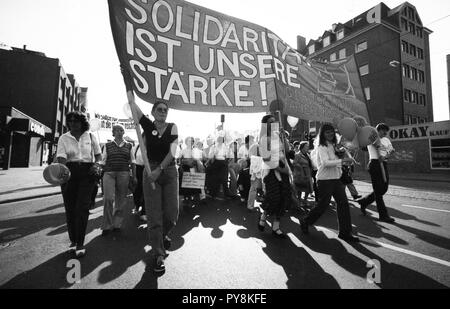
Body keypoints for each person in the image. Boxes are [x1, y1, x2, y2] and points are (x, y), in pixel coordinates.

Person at [129, 100, 179, 274]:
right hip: (150, 171)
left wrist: (160, 169)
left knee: (172, 214)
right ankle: (158, 254)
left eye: (166, 109)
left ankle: (161, 235)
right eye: (159, 109)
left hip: (169, 171)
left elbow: (173, 151)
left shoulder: (173, 127)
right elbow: (134, 107)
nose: (163, 111)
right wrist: (127, 76)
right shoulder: (148, 126)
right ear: (153, 111)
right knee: (154, 215)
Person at [299, 123, 359, 243]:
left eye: (331, 131)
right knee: (322, 205)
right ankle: (306, 221)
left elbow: (339, 160)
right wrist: (342, 161)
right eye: (327, 132)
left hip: (337, 179)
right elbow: (325, 163)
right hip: (324, 180)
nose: (330, 134)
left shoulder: (335, 145)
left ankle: (345, 233)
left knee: (343, 205)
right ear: (322, 134)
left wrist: (346, 157)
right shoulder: (322, 146)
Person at [56, 111, 102, 258]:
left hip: (88, 173)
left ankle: (81, 243)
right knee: (70, 208)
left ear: (83, 122)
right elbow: (61, 158)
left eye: (76, 121)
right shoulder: (64, 137)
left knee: (82, 208)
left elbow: (98, 156)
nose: (73, 123)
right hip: (68, 171)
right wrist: (63, 173)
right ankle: (73, 241)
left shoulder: (90, 136)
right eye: (70, 121)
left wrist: (97, 166)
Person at [257, 114, 291, 239]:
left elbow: (286, 150)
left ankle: (276, 227)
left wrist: (284, 137)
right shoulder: (264, 138)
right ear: (265, 125)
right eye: (270, 122)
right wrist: (280, 169)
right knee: (273, 198)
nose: (273, 124)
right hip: (271, 170)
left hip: (283, 168)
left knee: (283, 198)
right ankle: (263, 216)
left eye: (273, 121)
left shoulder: (278, 136)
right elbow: (266, 158)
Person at [101, 124, 137, 236]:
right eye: (116, 130)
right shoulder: (107, 145)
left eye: (121, 130)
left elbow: (133, 162)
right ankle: (106, 225)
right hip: (109, 173)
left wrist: (134, 176)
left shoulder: (129, 146)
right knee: (108, 199)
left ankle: (117, 224)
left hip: (124, 173)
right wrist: (100, 173)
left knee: (121, 200)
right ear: (113, 132)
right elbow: (103, 161)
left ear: (123, 132)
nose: (119, 132)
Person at [356, 123, 396, 223]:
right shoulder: (371, 138)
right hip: (374, 164)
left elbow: (391, 150)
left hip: (384, 163)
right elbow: (363, 143)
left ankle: (364, 201)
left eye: (387, 131)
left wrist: (386, 155)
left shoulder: (386, 140)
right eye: (383, 131)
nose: (386, 133)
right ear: (378, 130)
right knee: (378, 191)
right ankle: (383, 215)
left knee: (384, 188)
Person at [207, 134, 229, 200]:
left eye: (222, 140)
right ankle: (214, 194)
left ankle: (226, 195)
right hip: (216, 162)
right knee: (215, 179)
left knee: (224, 179)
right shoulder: (213, 147)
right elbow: (210, 156)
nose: (220, 141)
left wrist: (226, 161)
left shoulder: (225, 147)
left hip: (223, 163)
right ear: (217, 140)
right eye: (219, 140)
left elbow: (227, 155)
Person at [293, 141, 313, 207]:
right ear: (302, 147)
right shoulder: (297, 154)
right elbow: (295, 163)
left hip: (308, 173)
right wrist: (301, 167)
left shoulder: (308, 154)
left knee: (308, 187)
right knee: (300, 188)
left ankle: (305, 200)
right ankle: (299, 201)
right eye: (306, 146)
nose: (308, 147)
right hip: (300, 174)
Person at [132, 134, 147, 222]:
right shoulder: (136, 147)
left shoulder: (151, 148)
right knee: (137, 190)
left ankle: (144, 212)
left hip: (147, 170)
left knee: (146, 191)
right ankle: (137, 205)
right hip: (138, 169)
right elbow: (132, 160)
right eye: (144, 137)